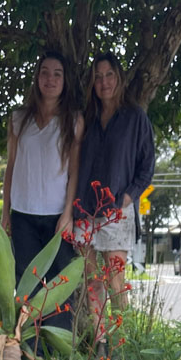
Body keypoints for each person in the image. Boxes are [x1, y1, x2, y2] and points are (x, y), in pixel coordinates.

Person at [74, 52, 155, 344]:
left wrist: (128, 197)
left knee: (115, 280)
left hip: (117, 212)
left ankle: (125, 347)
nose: (104, 82)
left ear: (118, 78)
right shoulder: (88, 118)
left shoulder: (135, 118)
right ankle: (100, 344)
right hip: (84, 212)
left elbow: (147, 167)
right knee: (92, 282)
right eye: (98, 77)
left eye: (109, 75)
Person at [2, 51, 83, 331]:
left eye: (57, 74)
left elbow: (74, 171)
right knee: (28, 283)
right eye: (45, 72)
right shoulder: (18, 119)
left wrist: (68, 213)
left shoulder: (73, 121)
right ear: (37, 78)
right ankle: (31, 347)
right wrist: (6, 213)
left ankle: (58, 347)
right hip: (23, 214)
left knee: (60, 285)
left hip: (56, 217)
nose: (50, 79)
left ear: (65, 81)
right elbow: (11, 167)